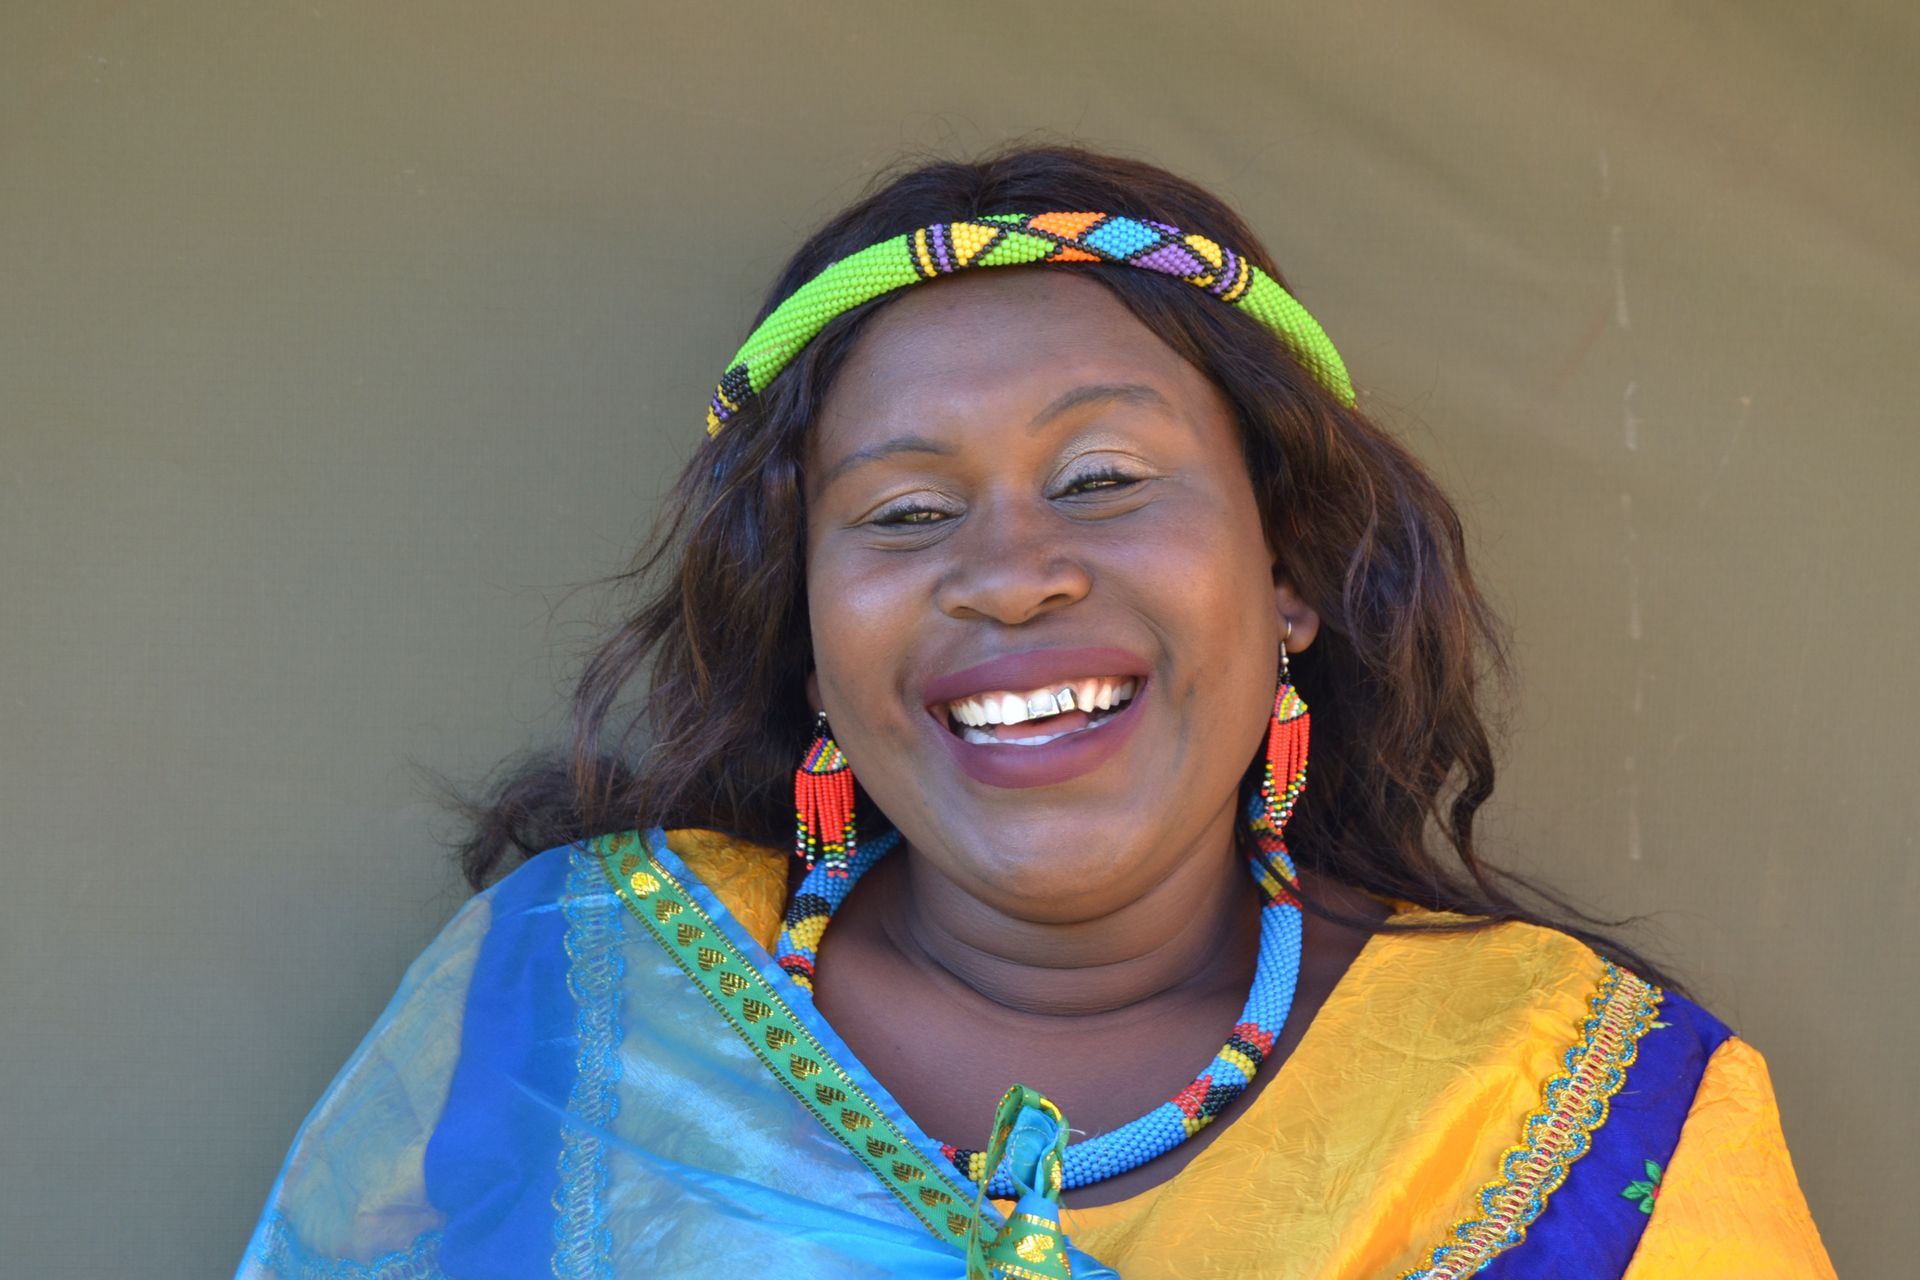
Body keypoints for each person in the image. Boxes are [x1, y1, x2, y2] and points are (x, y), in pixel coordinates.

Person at [237, 147, 1833, 1279]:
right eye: (906, 513)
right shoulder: (574, 990)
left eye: (1104, 481)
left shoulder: (1586, 1111)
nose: (1010, 577)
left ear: (1292, 578)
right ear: (807, 644)